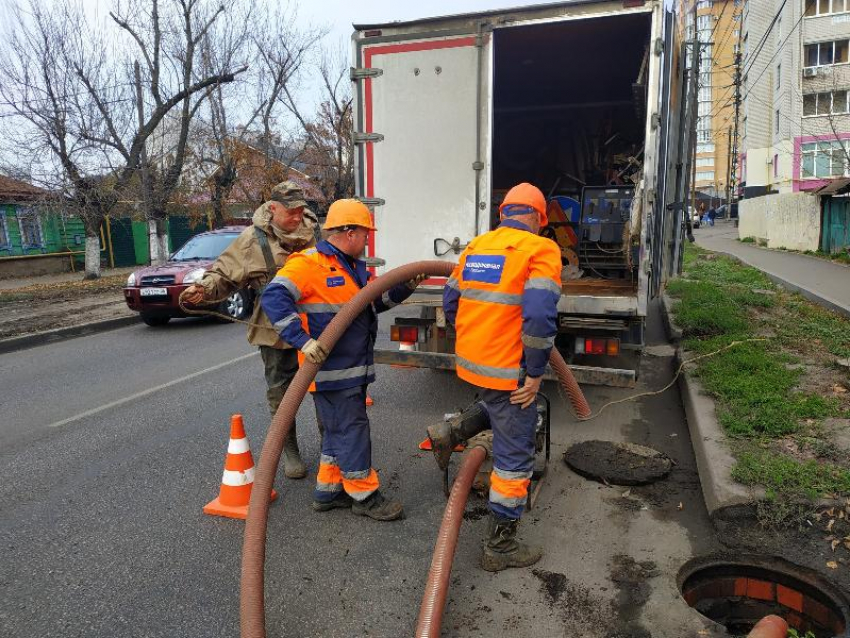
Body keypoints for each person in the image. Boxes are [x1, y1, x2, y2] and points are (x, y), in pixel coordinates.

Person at [260, 199, 424, 521]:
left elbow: (371, 305)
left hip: (349, 369)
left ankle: (328, 490)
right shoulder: (310, 264)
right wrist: (303, 342)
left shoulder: (350, 267)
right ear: (348, 232)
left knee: (337, 431)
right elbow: (274, 297)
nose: (367, 240)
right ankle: (364, 495)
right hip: (333, 371)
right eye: (365, 233)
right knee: (352, 429)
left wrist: (406, 287)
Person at [443, 182, 561, 572]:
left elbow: (450, 300)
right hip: (510, 370)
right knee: (514, 458)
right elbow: (540, 317)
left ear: (503, 214)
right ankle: (500, 547)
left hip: (474, 362)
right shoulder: (541, 249)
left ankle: (447, 432)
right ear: (540, 219)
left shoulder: (477, 246)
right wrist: (535, 373)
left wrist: (472, 340)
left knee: (491, 404)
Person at [182, 181, 318, 479]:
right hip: (274, 328)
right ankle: (289, 450)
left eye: (300, 211)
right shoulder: (251, 240)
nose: (297, 217)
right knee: (281, 393)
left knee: (327, 389)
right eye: (290, 212)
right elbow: (223, 274)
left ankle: (332, 448)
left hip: (320, 324)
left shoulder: (315, 233)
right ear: (273, 209)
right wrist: (202, 289)